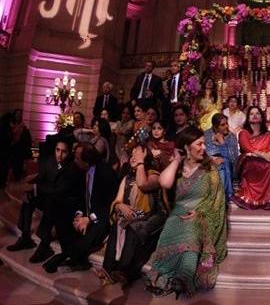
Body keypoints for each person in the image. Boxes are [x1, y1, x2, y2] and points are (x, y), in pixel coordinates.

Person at [146, 127, 227, 298]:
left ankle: (184, 277)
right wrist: (176, 160)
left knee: (192, 227)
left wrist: (201, 213)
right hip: (177, 215)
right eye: (199, 144)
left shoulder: (209, 168)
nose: (204, 147)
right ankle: (167, 273)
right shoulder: (177, 168)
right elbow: (165, 183)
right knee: (174, 225)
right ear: (186, 147)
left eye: (204, 143)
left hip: (202, 215)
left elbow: (217, 199)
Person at [43, 142, 118, 273]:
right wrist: (79, 214)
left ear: (87, 161)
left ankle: (67, 256)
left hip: (102, 217)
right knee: (58, 210)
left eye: (77, 158)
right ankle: (72, 255)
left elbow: (109, 205)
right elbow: (81, 198)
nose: (74, 160)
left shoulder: (105, 172)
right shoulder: (81, 170)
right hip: (87, 213)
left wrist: (89, 219)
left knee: (93, 232)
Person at [7, 139, 83, 263]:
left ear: (69, 153)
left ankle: (44, 245)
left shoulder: (72, 168)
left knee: (51, 202)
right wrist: (30, 184)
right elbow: (41, 177)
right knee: (29, 196)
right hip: (49, 196)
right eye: (57, 150)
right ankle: (25, 237)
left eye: (63, 151)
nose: (59, 154)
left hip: (64, 203)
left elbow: (59, 190)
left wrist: (35, 188)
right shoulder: (49, 161)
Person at [100, 146, 167, 286]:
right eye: (132, 154)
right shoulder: (127, 178)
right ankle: (107, 270)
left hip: (150, 216)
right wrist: (120, 206)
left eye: (137, 154)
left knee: (132, 228)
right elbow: (117, 201)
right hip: (131, 215)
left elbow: (142, 184)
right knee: (116, 226)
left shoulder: (154, 175)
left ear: (145, 158)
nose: (133, 157)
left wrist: (141, 162)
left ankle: (123, 270)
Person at [232, 107, 270, 210]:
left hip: (267, 163)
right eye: (251, 114)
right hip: (249, 162)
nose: (254, 115)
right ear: (248, 118)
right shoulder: (243, 133)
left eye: (257, 113)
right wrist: (265, 155)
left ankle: (269, 199)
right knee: (253, 162)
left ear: (262, 117)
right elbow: (247, 148)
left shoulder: (269, 135)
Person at [205, 113, 239, 201]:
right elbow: (204, 153)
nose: (226, 126)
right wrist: (213, 159)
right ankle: (224, 195)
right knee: (220, 166)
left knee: (224, 164)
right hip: (209, 163)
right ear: (215, 127)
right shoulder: (206, 135)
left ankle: (221, 197)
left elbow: (233, 159)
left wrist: (222, 142)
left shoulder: (231, 136)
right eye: (222, 125)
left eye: (226, 123)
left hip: (229, 166)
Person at [9, 109, 33, 182]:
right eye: (17, 114)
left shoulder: (23, 126)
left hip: (19, 149)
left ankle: (17, 181)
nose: (18, 115)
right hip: (11, 148)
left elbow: (26, 138)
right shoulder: (10, 124)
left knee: (18, 166)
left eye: (20, 114)